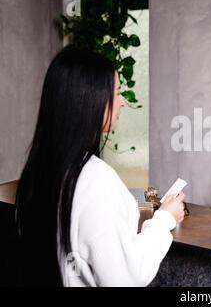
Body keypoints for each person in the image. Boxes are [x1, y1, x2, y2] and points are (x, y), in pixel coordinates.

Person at [15, 47, 186, 286]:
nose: (123, 102)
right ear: (90, 100)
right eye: (116, 93)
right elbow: (126, 278)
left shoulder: (39, 168)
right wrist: (165, 218)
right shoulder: (94, 180)